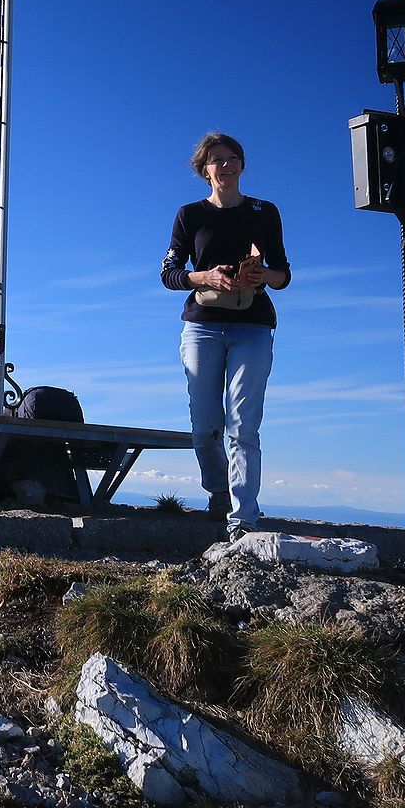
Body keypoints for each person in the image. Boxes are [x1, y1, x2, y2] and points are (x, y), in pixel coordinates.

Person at [159, 133, 291, 542]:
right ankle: (218, 491)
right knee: (205, 426)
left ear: (242, 165)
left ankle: (243, 520)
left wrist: (261, 275)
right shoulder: (190, 215)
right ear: (204, 170)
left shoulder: (264, 212)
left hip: (253, 326)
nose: (226, 165)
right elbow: (169, 273)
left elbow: (284, 273)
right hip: (201, 326)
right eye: (216, 160)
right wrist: (206, 276)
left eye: (232, 158)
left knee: (243, 424)